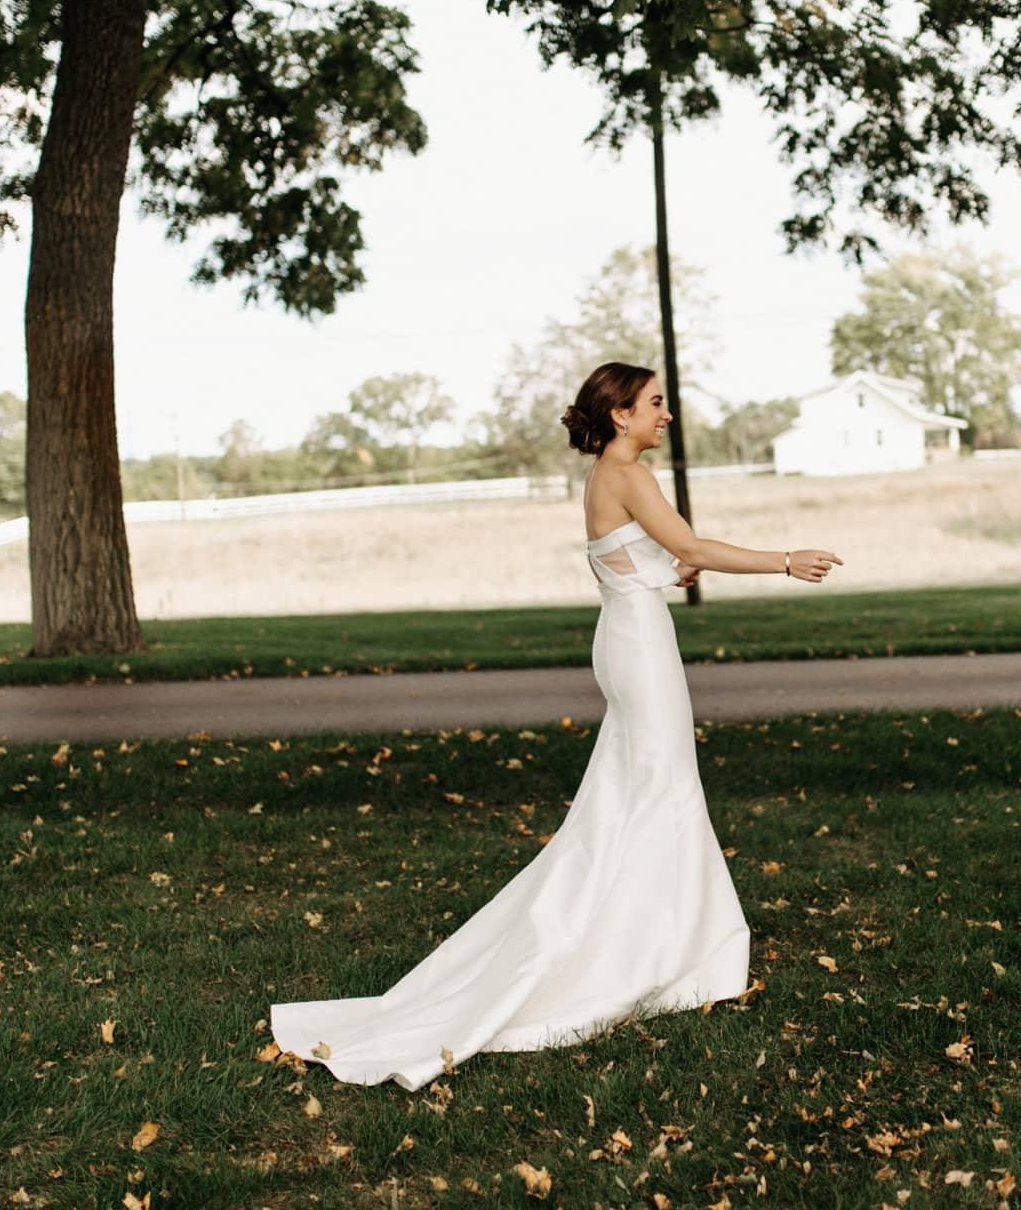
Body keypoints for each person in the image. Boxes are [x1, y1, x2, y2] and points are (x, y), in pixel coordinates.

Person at [271, 361, 843, 1088]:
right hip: (638, 645)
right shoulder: (627, 473)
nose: (666, 415)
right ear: (621, 416)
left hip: (628, 634)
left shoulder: (610, 473)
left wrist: (669, 570)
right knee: (661, 789)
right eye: (655, 404)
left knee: (637, 795)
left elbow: (641, 559)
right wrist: (788, 560)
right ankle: (663, 954)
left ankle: (677, 944)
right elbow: (691, 548)